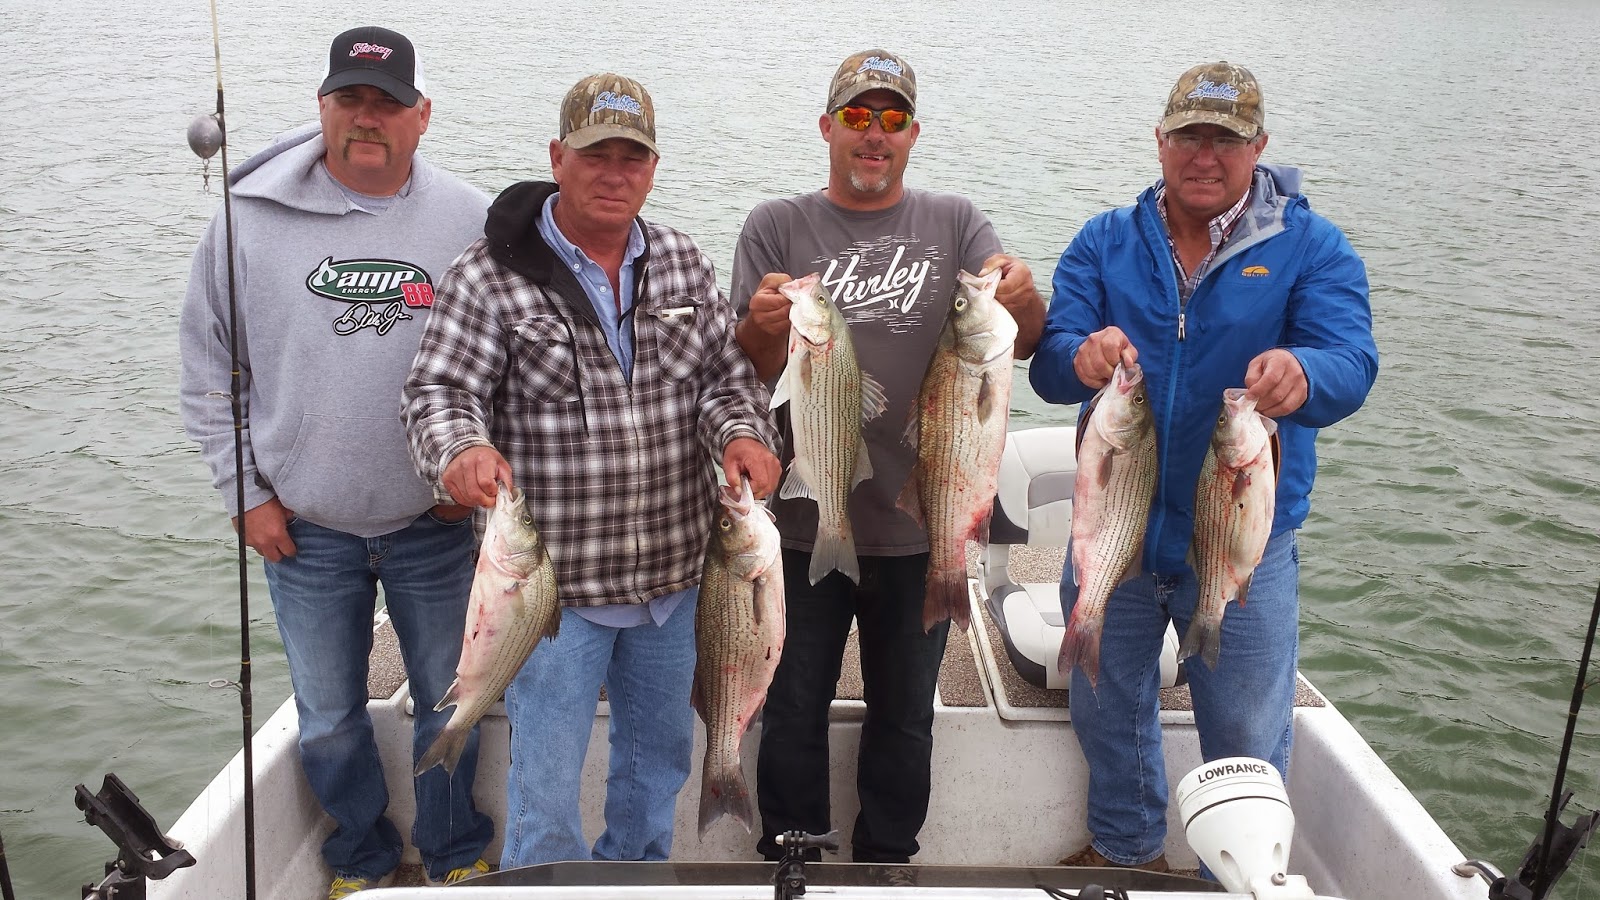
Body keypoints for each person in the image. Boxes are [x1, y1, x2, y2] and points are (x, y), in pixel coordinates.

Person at [401, 72, 781, 870]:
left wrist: (744, 434)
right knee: (544, 791)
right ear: (557, 157)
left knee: (657, 773)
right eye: (595, 155)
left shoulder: (681, 260)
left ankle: (635, 883)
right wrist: (459, 451)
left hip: (677, 587)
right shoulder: (489, 273)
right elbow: (439, 392)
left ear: (653, 167)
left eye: (631, 157)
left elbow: (725, 380)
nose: (614, 173)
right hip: (553, 599)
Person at [1029, 61, 1378, 871]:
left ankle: (1242, 874)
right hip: (1117, 533)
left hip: (1243, 546)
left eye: (1226, 139)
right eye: (1189, 135)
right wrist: (1081, 357)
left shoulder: (1311, 247)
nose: (1205, 155)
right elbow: (1049, 364)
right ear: (1160, 140)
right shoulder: (1105, 241)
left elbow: (1352, 361)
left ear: (1259, 146)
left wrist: (1305, 373)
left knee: (1248, 730)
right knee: (1105, 708)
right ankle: (1126, 850)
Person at [178, 26, 494, 899]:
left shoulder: (471, 220)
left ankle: (453, 848)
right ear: (321, 107)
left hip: (434, 526)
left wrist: (462, 484)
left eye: (387, 104)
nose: (367, 118)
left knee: (454, 703)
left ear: (422, 115)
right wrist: (246, 494)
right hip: (303, 529)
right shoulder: (245, 221)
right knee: (324, 716)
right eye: (349, 100)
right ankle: (360, 855)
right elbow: (208, 372)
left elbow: (502, 366)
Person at [731, 49, 1046, 865]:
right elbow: (749, 368)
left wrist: (1022, 296)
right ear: (827, 126)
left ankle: (886, 859)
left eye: (893, 119)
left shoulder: (956, 222)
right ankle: (793, 855)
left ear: (913, 134)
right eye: (858, 117)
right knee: (791, 705)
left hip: (919, 524)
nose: (875, 134)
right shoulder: (776, 225)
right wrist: (763, 325)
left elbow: (1022, 340)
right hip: (803, 521)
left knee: (906, 713)